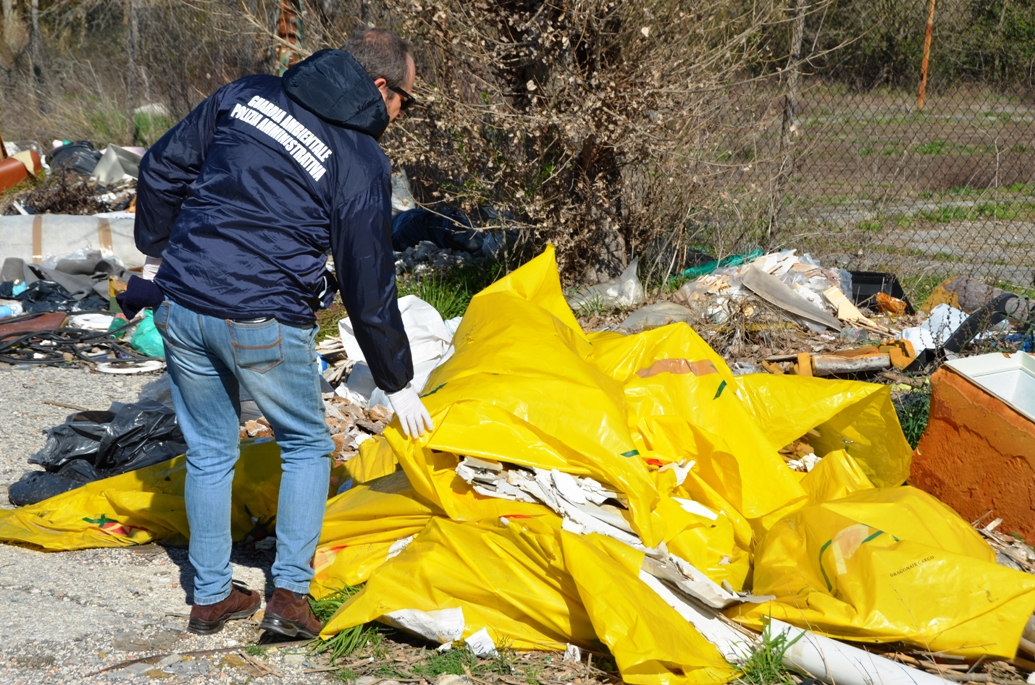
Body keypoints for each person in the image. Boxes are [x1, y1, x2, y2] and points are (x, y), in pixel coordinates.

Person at [124, 27, 434, 640]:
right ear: (379, 87)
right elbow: (367, 275)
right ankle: (290, 598)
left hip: (182, 305)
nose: (402, 113)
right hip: (262, 318)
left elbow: (161, 168)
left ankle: (210, 597)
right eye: (406, 100)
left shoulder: (246, 94)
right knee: (307, 446)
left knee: (209, 451)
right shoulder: (359, 157)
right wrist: (397, 381)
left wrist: (160, 250)